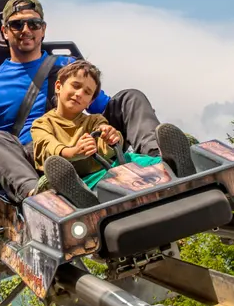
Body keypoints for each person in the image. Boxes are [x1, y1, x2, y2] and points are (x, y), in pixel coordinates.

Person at [0, 0, 192, 204]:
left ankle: (162, 160)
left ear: (43, 29)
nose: (26, 29)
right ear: (5, 31)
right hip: (34, 160)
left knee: (130, 97)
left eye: (33, 24)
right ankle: (40, 196)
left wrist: (107, 132)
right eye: (17, 24)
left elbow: (102, 106)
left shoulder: (68, 67)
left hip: (82, 142)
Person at [30, 59, 177, 207]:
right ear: (58, 86)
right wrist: (73, 152)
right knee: (66, 184)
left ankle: (171, 163)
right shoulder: (42, 124)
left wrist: (112, 137)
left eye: (87, 92)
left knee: (136, 160)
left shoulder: (95, 120)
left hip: (108, 171)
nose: (79, 94)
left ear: (90, 102)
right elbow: (47, 147)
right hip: (79, 181)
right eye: (76, 86)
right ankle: (82, 197)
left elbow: (105, 139)